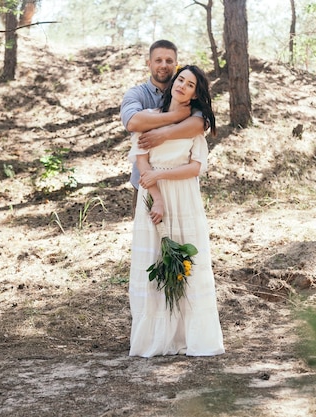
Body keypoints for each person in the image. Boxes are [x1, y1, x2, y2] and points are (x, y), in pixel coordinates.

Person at [128, 65, 225, 358]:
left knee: (189, 263)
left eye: (190, 84)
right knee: (154, 262)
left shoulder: (195, 125)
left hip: (183, 196)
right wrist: (156, 197)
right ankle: (156, 339)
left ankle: (190, 336)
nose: (182, 85)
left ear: (196, 93)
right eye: (180, 79)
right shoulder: (149, 118)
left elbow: (196, 167)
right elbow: (142, 162)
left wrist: (161, 176)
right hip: (153, 196)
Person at [120, 40, 204, 216]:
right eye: (158, 60)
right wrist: (176, 116)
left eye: (169, 61)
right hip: (146, 184)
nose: (164, 65)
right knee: (149, 241)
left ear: (176, 64)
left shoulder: (187, 93)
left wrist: (163, 134)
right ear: (149, 63)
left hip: (181, 187)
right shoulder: (137, 94)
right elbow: (133, 122)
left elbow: (199, 124)